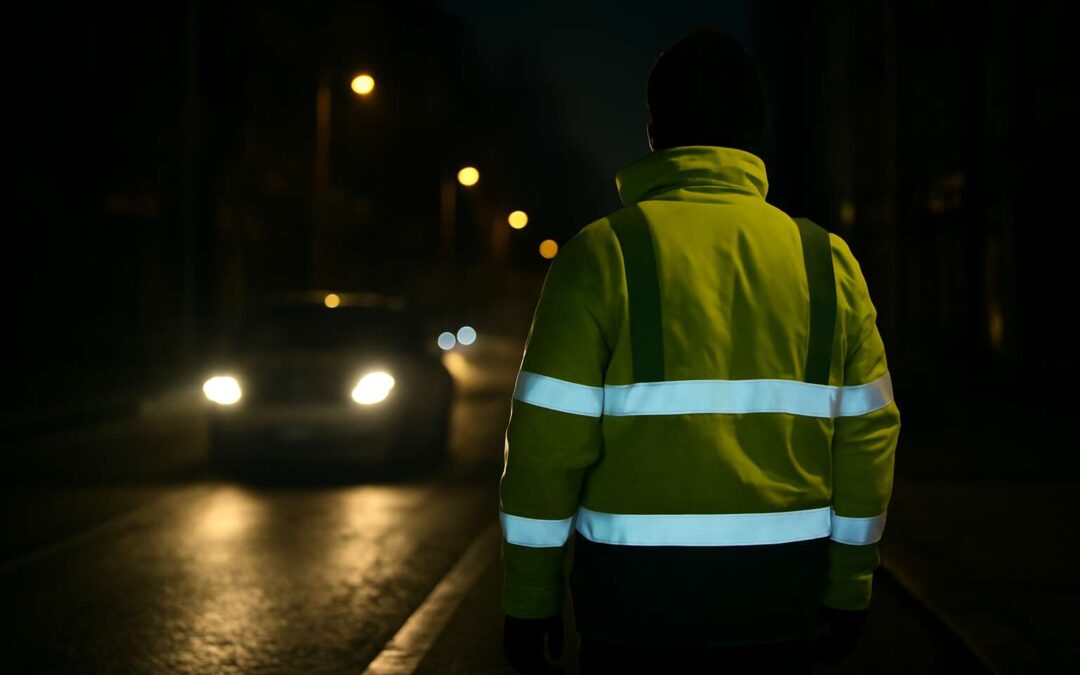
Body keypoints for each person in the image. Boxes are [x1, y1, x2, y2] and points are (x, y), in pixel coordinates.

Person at [500, 28, 900, 674]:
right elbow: (868, 438)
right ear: (757, 131)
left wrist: (529, 597)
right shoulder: (828, 262)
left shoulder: (599, 256)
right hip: (783, 606)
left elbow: (546, 444)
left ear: (655, 131)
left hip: (633, 615)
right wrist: (850, 585)